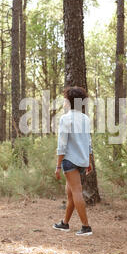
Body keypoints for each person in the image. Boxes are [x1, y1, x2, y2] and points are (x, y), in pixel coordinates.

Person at [53, 86, 93, 236]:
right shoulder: (85, 118)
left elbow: (62, 145)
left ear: (69, 101)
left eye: (65, 99)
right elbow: (88, 142)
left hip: (70, 160)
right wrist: (88, 161)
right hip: (82, 161)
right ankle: (65, 223)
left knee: (76, 192)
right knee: (71, 194)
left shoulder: (65, 118)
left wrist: (58, 166)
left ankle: (86, 227)